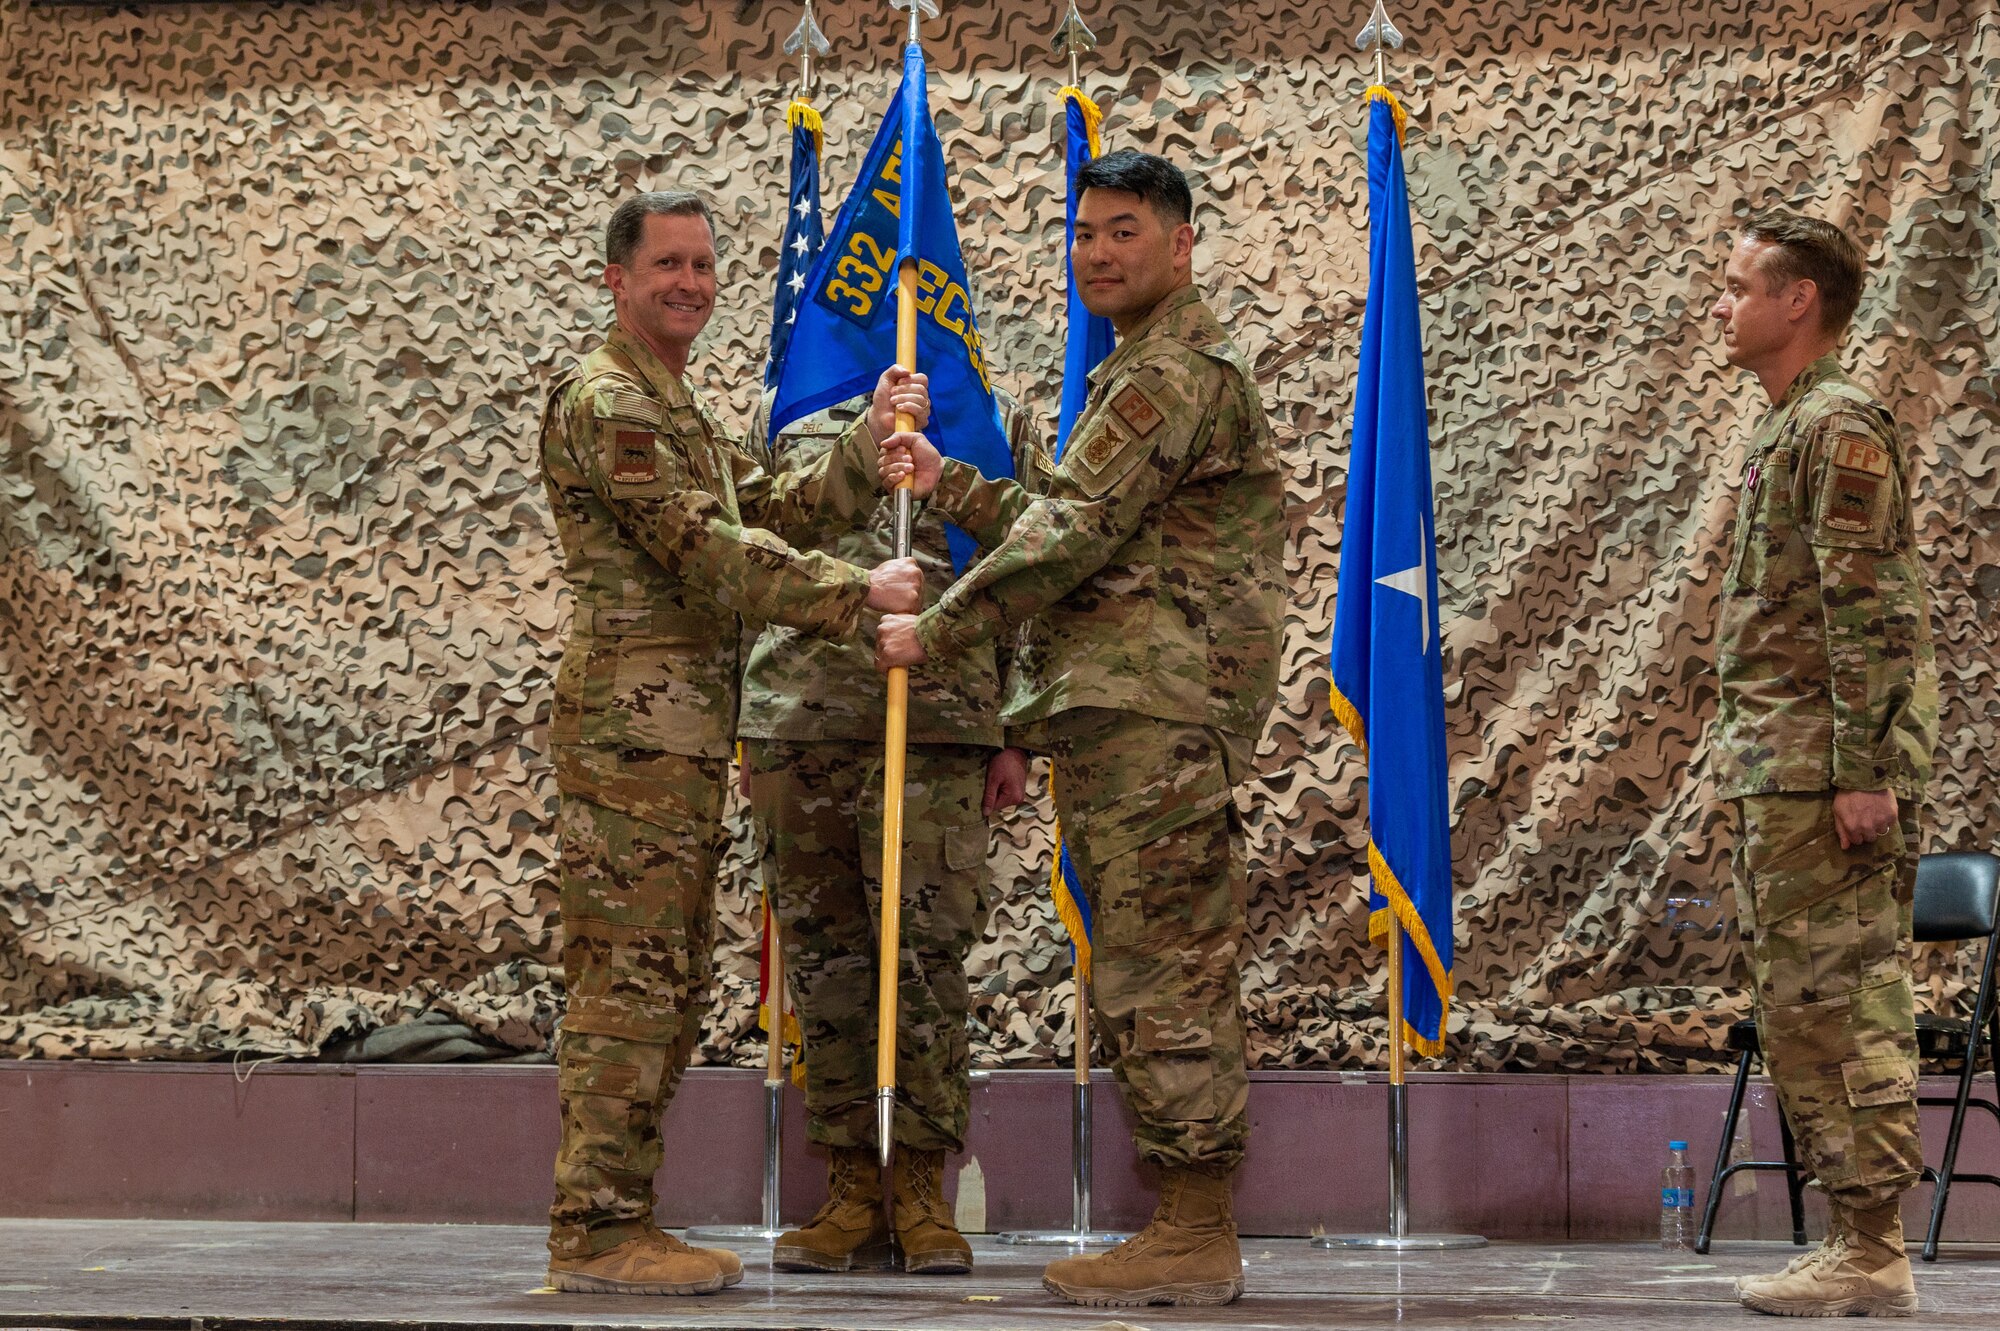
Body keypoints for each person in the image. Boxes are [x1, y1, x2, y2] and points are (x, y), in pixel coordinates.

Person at [873, 149, 1285, 1307]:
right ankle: (1184, 1217)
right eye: (1086, 232)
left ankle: (1196, 1224)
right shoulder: (1135, 373)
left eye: (1123, 232)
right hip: (1126, 711)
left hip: (1155, 714)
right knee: (1145, 963)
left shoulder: (1167, 374)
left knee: (1165, 968)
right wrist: (950, 483)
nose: (1098, 253)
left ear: (1180, 243)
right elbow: (1075, 513)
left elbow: (1072, 536)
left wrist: (936, 631)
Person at [538, 188, 930, 1296]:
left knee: (661, 978)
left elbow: (774, 508)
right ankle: (594, 1227)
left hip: (676, 734)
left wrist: (865, 446)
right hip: (632, 735)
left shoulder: (676, 404)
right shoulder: (607, 399)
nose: (691, 284)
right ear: (616, 279)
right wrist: (863, 593)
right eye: (667, 264)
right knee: (628, 979)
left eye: (704, 265)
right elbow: (706, 553)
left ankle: (619, 1216)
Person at [738, 388, 1037, 1275]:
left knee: (924, 964)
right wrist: (739, 725)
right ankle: (848, 1189)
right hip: (799, 720)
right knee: (828, 967)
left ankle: (918, 1185)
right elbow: (737, 557)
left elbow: (1026, 574)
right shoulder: (788, 405)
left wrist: (1014, 730)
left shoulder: (987, 412)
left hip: (941, 726)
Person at [1709, 209, 1938, 1318]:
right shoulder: (1784, 424)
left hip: (1819, 771)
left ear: (1796, 300)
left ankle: (1870, 1245)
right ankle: (1854, 1239)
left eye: (1739, 283)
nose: (1721, 302)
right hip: (1781, 765)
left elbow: (1870, 613)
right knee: (1800, 1006)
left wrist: (1862, 771)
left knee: (1844, 999)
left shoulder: (1836, 425)